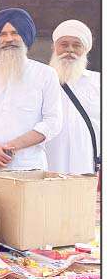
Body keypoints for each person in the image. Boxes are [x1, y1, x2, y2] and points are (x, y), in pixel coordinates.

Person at [0, 8, 63, 182]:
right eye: (3, 34)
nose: (9, 39)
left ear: (25, 36)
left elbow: (52, 122)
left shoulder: (46, 74)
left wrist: (10, 148)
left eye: (15, 33)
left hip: (27, 168)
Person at [45, 20, 100, 174]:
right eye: (64, 44)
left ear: (86, 49)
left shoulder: (98, 82)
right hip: (49, 161)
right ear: (54, 47)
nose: (70, 50)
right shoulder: (41, 81)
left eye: (76, 45)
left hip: (87, 161)